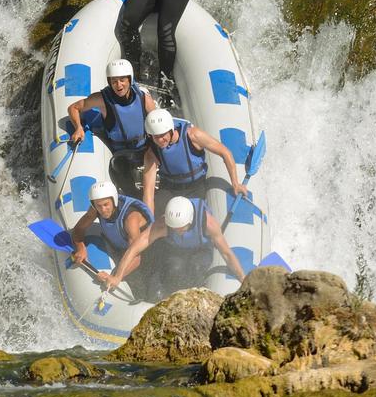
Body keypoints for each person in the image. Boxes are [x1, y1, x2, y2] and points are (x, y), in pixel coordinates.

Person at [98, 195, 245, 297]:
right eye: (174, 228)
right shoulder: (163, 225)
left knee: (196, 267)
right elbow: (134, 248)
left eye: (181, 228)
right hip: (177, 251)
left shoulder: (209, 224)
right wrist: (117, 276)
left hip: (201, 250)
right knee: (174, 269)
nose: (177, 231)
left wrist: (242, 278)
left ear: (190, 220)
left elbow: (226, 254)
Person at [67, 59, 158, 194]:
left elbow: (157, 123)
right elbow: (73, 108)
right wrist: (78, 128)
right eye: (114, 81)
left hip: (144, 148)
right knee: (122, 174)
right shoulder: (102, 99)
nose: (118, 85)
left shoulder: (143, 97)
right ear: (109, 82)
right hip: (121, 153)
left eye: (122, 80)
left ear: (129, 79)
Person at [141, 107, 247, 212]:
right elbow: (148, 193)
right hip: (169, 189)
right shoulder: (151, 153)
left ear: (171, 129)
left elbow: (225, 152)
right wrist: (150, 220)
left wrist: (235, 183)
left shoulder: (193, 135)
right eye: (156, 137)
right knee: (160, 215)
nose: (160, 140)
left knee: (195, 218)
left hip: (195, 186)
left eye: (163, 135)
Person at [70, 180, 153, 289]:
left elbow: (136, 258)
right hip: (119, 247)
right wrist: (81, 248)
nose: (103, 210)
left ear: (114, 201)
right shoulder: (95, 210)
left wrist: (113, 277)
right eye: (99, 206)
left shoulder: (130, 219)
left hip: (145, 255)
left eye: (106, 204)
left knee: (140, 286)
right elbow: (78, 229)